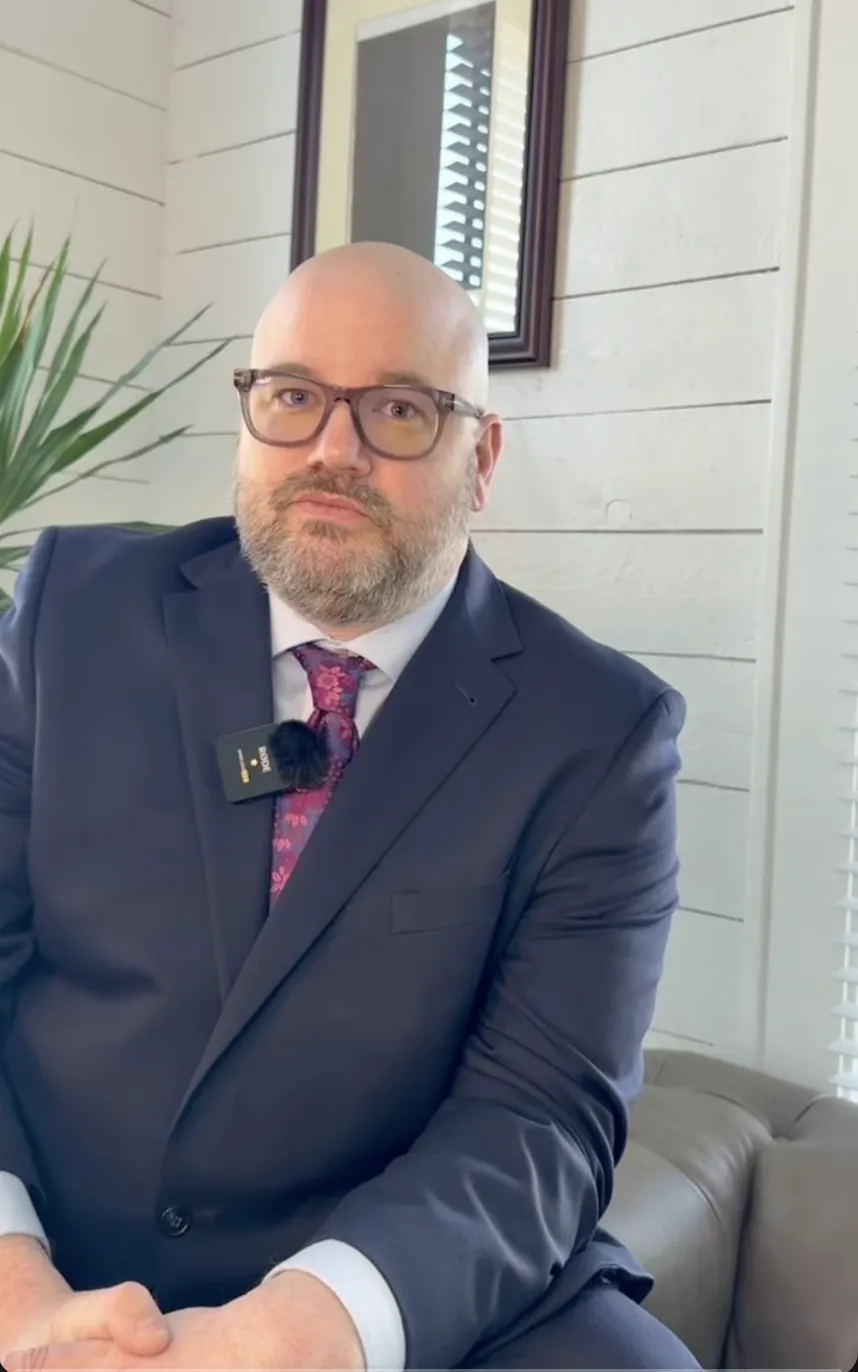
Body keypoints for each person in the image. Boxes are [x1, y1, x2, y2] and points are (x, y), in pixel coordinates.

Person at [0, 242, 698, 1371]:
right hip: (53, 1236)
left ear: (482, 456)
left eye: (400, 410)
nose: (334, 448)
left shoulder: (599, 734)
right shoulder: (70, 614)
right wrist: (12, 1283)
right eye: (293, 397)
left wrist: (305, 1328)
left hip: (393, 1276)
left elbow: (541, 1116)